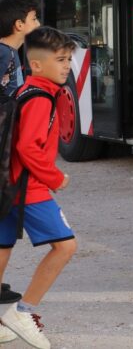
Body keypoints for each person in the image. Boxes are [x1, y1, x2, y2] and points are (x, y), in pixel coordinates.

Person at [0, 27, 77, 349]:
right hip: (28, 188)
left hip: (7, 185)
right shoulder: (41, 99)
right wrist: (54, 178)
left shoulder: (25, 91)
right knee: (65, 247)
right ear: (36, 65)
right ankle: (23, 312)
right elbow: (28, 148)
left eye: (69, 59)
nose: (67, 66)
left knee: (2, 247)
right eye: (60, 60)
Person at [0, 0, 40, 98]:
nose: (38, 24)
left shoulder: (10, 51)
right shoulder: (4, 52)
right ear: (19, 25)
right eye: (34, 19)